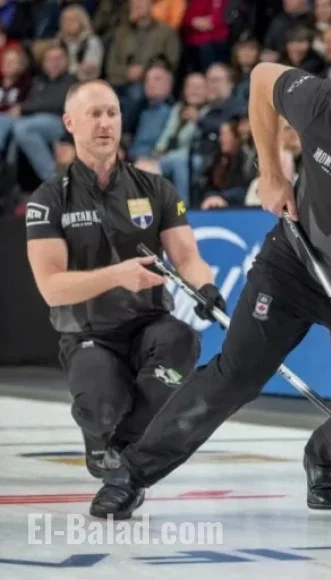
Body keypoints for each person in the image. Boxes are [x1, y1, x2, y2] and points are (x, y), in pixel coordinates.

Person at [88, 62, 331, 519]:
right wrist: (270, 170)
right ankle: (131, 474)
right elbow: (262, 77)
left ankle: (325, 456)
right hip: (296, 263)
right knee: (235, 376)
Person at [24, 79, 223, 483]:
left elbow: (187, 256)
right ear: (69, 122)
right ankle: (99, 434)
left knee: (182, 340)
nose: (104, 123)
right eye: (93, 114)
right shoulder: (49, 199)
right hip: (88, 333)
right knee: (102, 404)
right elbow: (51, 287)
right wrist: (118, 275)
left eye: (111, 113)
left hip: (149, 324)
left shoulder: (155, 188)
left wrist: (206, 288)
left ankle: (124, 448)